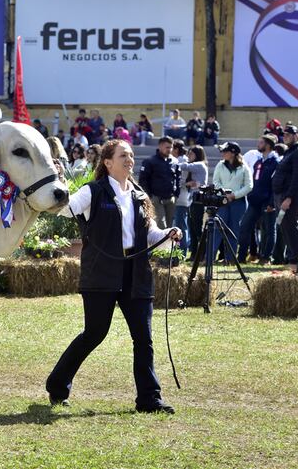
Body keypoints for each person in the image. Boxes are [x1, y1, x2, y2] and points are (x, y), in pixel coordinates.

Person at [47, 139, 181, 413]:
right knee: (94, 334)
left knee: (143, 338)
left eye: (131, 155)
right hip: (102, 273)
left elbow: (150, 234)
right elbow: (66, 208)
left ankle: (149, 399)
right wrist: (58, 185)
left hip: (136, 273)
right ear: (107, 162)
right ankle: (57, 385)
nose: (130, 159)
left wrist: (168, 235)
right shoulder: (92, 191)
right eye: (123, 155)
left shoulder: (140, 196)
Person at [272, 125, 298, 271]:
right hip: (282, 195)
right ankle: (293, 259)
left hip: (290, 196)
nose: (286, 136)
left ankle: (297, 261)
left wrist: (288, 198)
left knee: (291, 227)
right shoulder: (291, 151)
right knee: (286, 228)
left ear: (297, 135)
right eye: (284, 134)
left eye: (289, 134)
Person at [237, 135, 279, 265]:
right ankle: (241, 256)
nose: (258, 144)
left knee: (268, 230)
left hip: (267, 201)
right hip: (254, 201)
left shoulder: (275, 162)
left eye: (261, 142)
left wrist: (272, 202)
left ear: (268, 145)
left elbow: (276, 185)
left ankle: (266, 257)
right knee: (244, 227)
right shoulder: (259, 161)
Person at [211, 142, 252, 263]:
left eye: (225, 151)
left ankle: (231, 259)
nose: (222, 153)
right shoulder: (220, 165)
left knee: (234, 230)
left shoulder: (244, 167)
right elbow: (216, 181)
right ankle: (210, 258)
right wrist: (224, 194)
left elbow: (249, 186)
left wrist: (234, 195)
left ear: (233, 153)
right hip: (222, 201)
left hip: (238, 203)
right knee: (218, 228)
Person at [139, 136, 177, 229]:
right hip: (156, 198)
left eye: (171, 147)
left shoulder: (174, 161)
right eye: (167, 147)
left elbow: (177, 178)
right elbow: (143, 180)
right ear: (160, 146)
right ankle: (161, 243)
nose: (169, 150)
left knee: (170, 226)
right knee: (161, 225)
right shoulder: (150, 161)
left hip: (170, 198)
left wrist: (176, 194)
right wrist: (149, 197)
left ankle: (169, 244)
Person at [182, 146, 209, 259]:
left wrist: (180, 158)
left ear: (197, 154)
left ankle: (202, 253)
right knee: (192, 228)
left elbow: (182, 166)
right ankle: (194, 253)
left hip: (198, 199)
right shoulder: (198, 165)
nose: (188, 156)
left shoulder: (199, 164)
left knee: (197, 228)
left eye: (191, 154)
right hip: (193, 198)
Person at [172, 140, 191, 254]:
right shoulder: (184, 159)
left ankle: (182, 251)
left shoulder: (181, 161)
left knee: (180, 225)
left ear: (176, 149)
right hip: (183, 196)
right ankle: (182, 250)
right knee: (182, 224)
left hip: (181, 197)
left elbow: (181, 181)